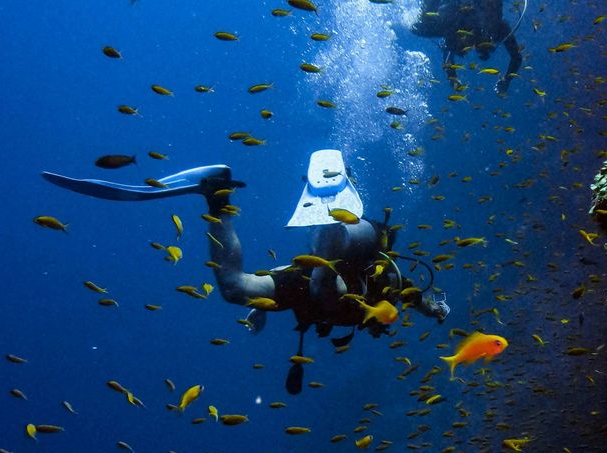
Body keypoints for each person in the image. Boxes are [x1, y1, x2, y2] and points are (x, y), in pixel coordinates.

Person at [42, 151, 450, 393]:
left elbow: (299, 272)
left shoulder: (378, 292)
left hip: (308, 283)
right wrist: (433, 309)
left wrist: (260, 302)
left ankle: (216, 195)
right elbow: (409, 293)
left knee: (235, 288)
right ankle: (333, 219)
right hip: (331, 282)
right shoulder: (391, 287)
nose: (382, 327)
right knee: (326, 282)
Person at [411, 0, 524, 95]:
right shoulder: (497, 29)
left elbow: (448, 55)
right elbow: (516, 57)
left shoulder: (457, 32)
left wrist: (452, 78)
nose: (466, 45)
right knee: (417, 27)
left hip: (460, 1)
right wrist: (506, 80)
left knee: (418, 27)